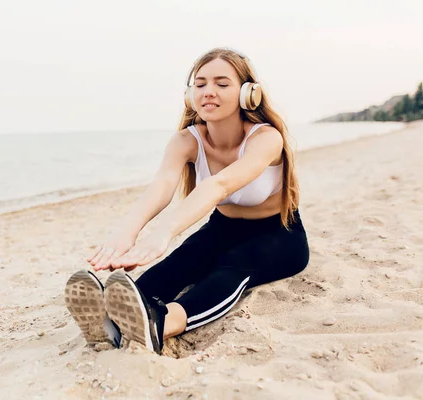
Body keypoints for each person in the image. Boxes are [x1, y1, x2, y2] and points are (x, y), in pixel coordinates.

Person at [64, 48, 310, 354]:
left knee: (232, 268)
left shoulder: (266, 138)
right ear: (189, 94)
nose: (209, 92)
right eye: (201, 83)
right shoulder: (186, 140)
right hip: (222, 228)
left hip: (277, 233)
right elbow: (162, 186)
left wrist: (164, 232)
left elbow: (218, 185)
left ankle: (160, 325)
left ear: (248, 93)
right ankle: (112, 318)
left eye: (222, 84)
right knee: (179, 263)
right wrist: (127, 232)